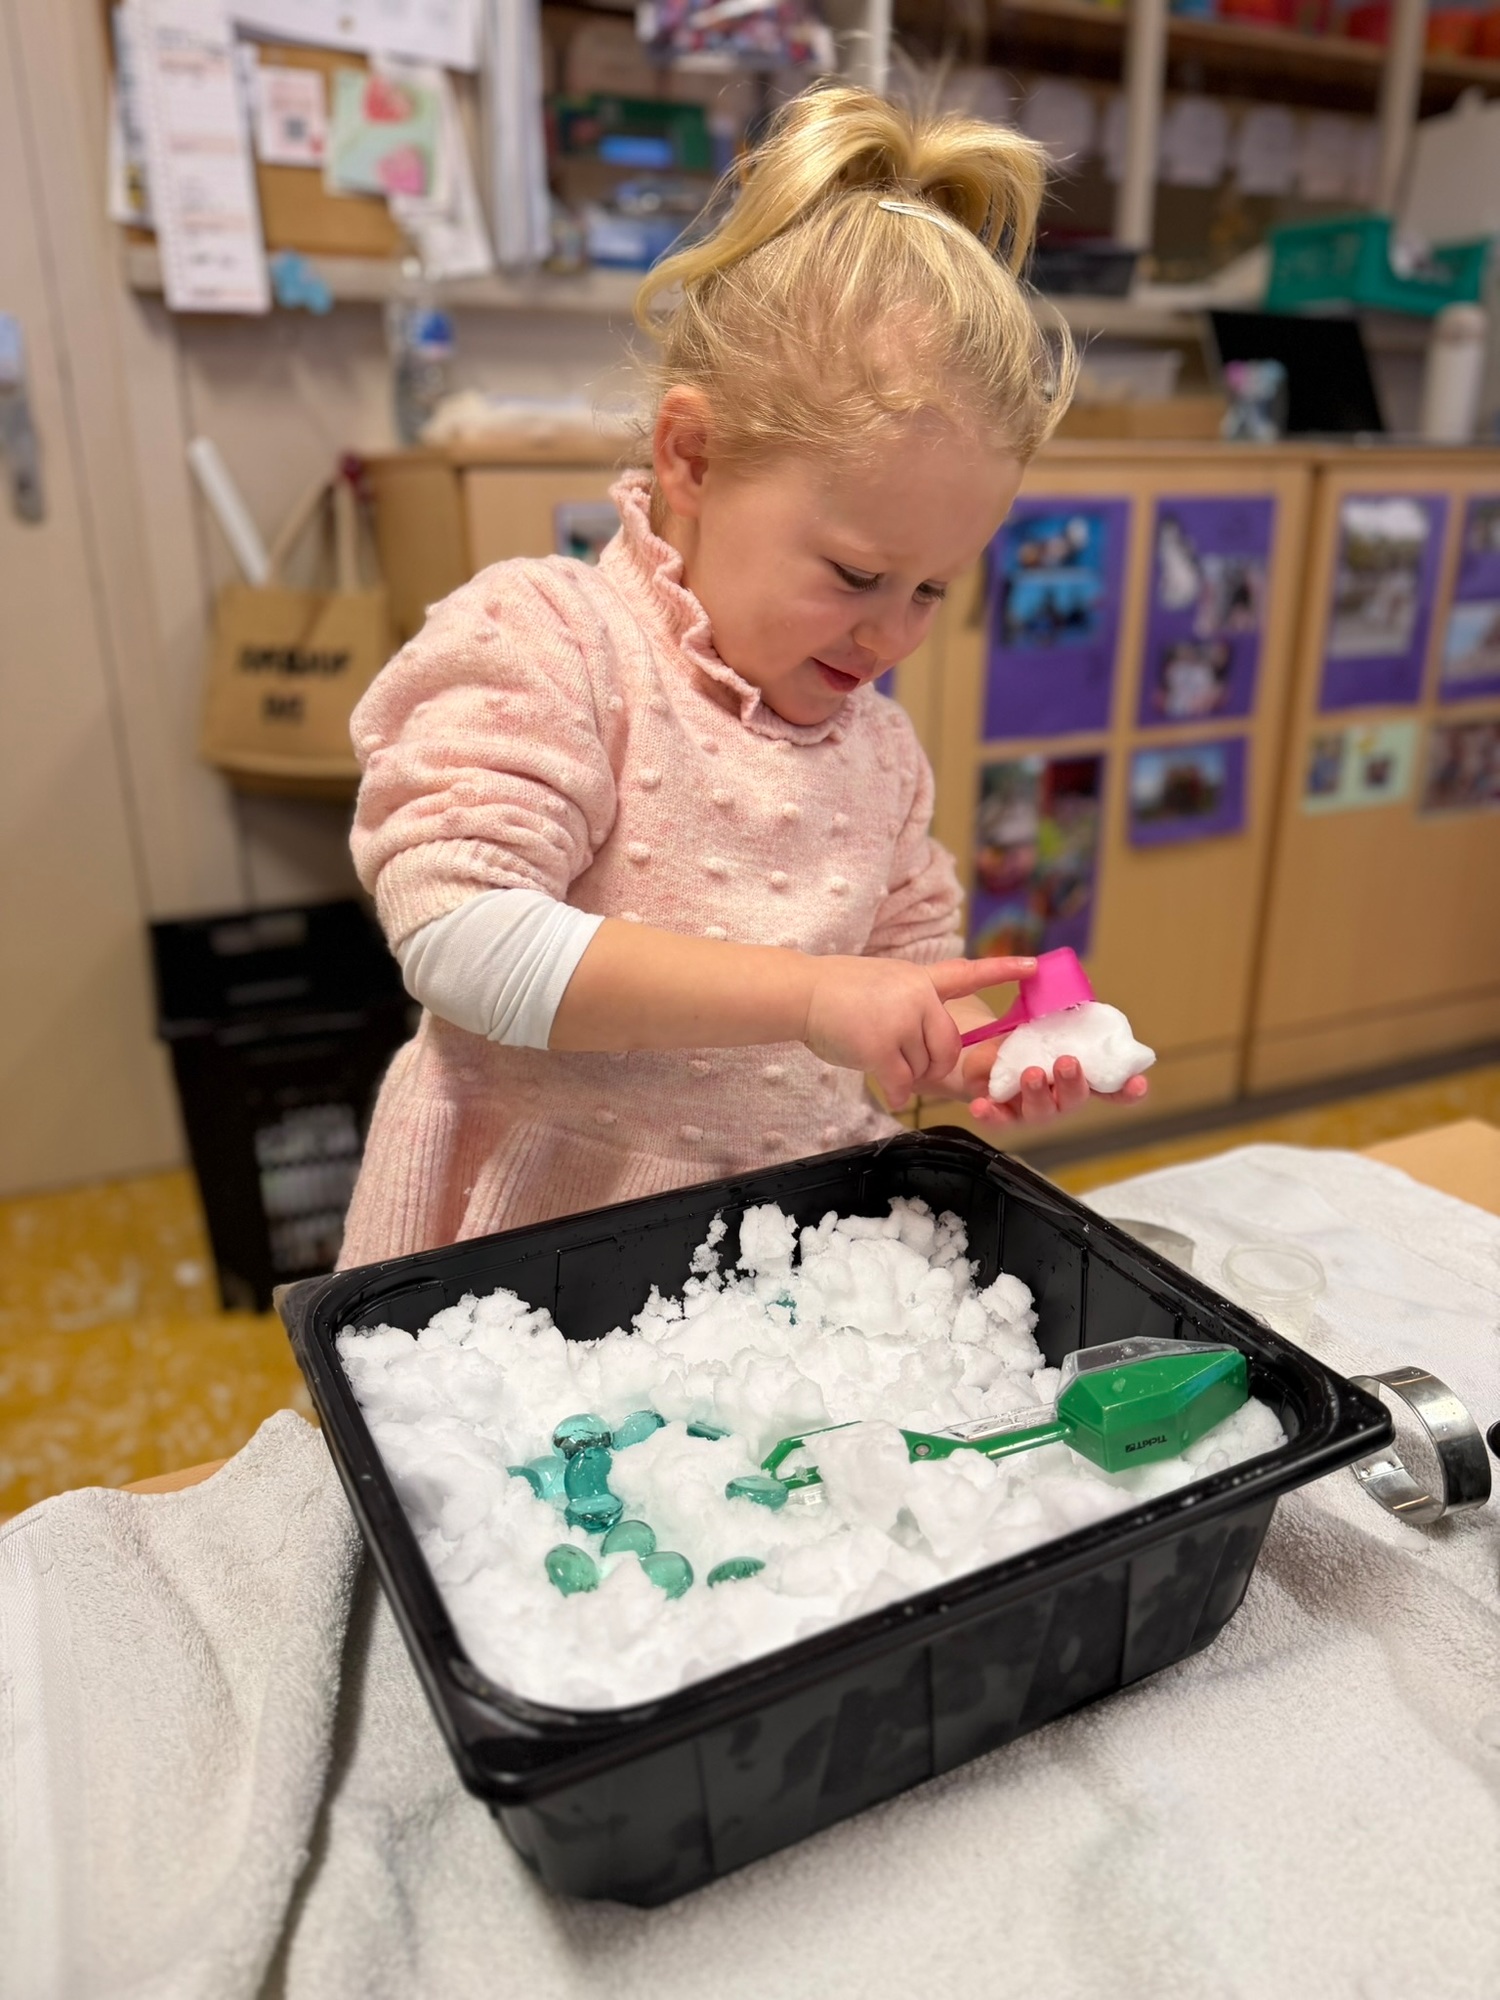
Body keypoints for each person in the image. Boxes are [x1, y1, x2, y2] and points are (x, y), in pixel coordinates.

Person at [338, 84, 1148, 1266]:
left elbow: (908, 984)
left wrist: (982, 1049)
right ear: (694, 457)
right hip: (533, 1258)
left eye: (932, 589)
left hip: (783, 1249)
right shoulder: (551, 640)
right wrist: (812, 994)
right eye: (856, 573)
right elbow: (463, 938)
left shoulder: (878, 752)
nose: (891, 635)